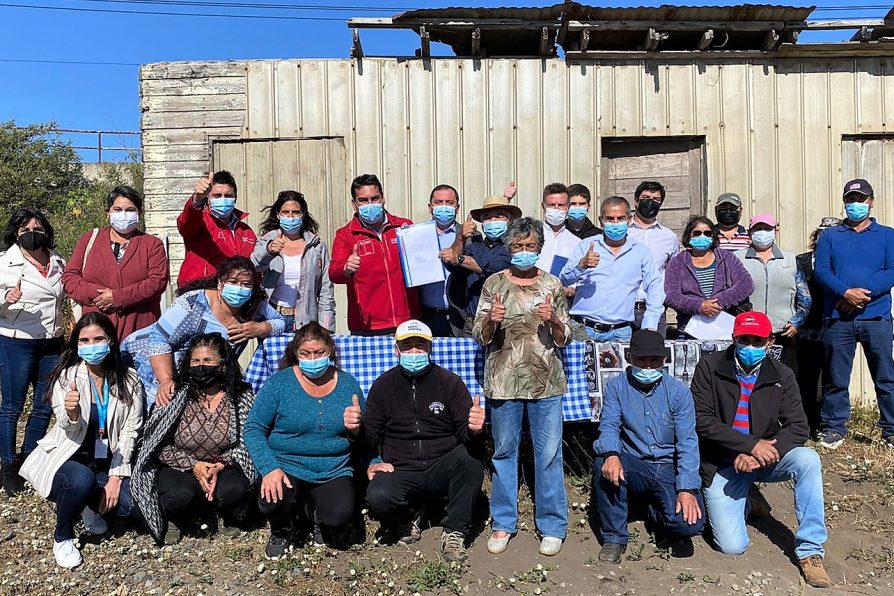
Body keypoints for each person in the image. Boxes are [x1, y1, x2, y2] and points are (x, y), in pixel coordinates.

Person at [691, 311, 830, 588]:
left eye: (758, 341)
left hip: (764, 459)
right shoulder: (709, 366)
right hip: (722, 462)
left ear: (770, 342)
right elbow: (701, 420)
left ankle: (811, 551)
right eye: (745, 340)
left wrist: (759, 454)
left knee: (808, 459)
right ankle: (748, 498)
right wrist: (749, 445)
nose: (751, 347)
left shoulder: (782, 374)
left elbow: (798, 427)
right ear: (734, 338)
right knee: (732, 546)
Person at [473, 217, 572, 557]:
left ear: (540, 248)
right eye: (517, 247)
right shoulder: (494, 284)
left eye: (530, 246)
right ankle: (503, 522)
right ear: (508, 249)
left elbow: (565, 338)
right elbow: (479, 336)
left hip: (545, 381)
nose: (524, 252)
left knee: (547, 455)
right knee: (504, 453)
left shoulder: (552, 285)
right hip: (503, 381)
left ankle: (553, 524)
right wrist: (491, 319)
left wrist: (554, 319)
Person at [19, 312, 143, 568]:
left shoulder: (129, 379)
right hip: (67, 458)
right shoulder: (66, 377)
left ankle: (88, 503)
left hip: (106, 461)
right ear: (76, 344)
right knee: (80, 481)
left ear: (110, 341)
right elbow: (66, 425)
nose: (91, 345)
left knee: (132, 507)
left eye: (98, 338)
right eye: (84, 340)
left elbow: (131, 429)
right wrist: (72, 411)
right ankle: (63, 536)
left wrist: (116, 478)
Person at [360, 320, 485, 563]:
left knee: (471, 459)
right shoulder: (383, 386)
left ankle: (455, 531)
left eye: (420, 346)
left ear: (430, 349)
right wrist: (356, 430)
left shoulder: (450, 382)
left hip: (441, 464)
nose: (414, 352)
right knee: (378, 495)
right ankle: (409, 516)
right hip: (402, 466)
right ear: (396, 350)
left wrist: (475, 429)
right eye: (407, 346)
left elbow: (464, 433)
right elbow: (370, 436)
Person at [245, 322, 364, 556]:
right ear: (295, 353)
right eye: (306, 353)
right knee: (273, 498)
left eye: (319, 352)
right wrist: (269, 468)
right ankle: (282, 530)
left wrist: (356, 429)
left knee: (339, 516)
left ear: (330, 350)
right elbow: (253, 429)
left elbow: (363, 438)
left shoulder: (348, 383)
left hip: (333, 467)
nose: (313, 358)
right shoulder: (279, 383)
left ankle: (315, 516)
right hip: (287, 463)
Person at [131, 334, 257, 545]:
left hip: (224, 465)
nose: (201, 366)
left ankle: (224, 513)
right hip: (180, 466)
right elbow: (156, 444)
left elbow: (248, 442)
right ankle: (176, 519)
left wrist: (219, 465)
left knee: (235, 490)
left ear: (223, 365)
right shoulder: (174, 395)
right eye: (196, 361)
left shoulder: (241, 397)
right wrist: (194, 465)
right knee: (178, 496)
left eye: (208, 361)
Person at [593, 330, 703, 563]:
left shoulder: (679, 393)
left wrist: (686, 488)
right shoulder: (616, 387)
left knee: (688, 525)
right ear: (629, 357)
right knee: (604, 462)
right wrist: (612, 454)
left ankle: (655, 513)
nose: (648, 366)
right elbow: (609, 425)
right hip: (634, 463)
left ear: (664, 360)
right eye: (642, 360)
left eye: (654, 360)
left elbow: (687, 442)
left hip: (668, 466)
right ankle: (614, 536)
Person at [122, 257, 284, 409]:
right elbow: (158, 339)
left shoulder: (253, 305)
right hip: (152, 361)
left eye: (246, 284)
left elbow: (280, 322)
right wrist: (165, 380)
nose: (239, 288)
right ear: (220, 283)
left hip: (201, 375)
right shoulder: (193, 304)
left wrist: (260, 328)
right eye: (233, 282)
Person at [814, 179, 894, 450]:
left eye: (861, 199)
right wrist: (845, 292)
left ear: (871, 201)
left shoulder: (887, 235)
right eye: (851, 199)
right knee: (836, 377)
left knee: (885, 377)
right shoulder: (829, 236)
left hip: (877, 318)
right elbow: (822, 270)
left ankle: (891, 430)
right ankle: (834, 428)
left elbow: (891, 271)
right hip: (839, 319)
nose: (855, 204)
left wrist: (862, 294)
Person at [0, 208, 66, 495]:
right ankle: (8, 464)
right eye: (25, 229)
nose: (31, 233)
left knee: (43, 405)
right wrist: (5, 298)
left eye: (36, 228)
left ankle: (30, 458)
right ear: (16, 233)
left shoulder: (59, 262)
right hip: (17, 340)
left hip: (53, 340)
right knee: (12, 406)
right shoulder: (5, 263)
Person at [62, 185, 169, 342]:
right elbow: (70, 278)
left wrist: (118, 298)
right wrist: (99, 296)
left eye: (130, 210)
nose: (124, 215)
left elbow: (157, 282)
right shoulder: (90, 239)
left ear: (140, 213)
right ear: (108, 213)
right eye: (118, 209)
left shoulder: (152, 244)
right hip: (96, 330)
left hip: (139, 327)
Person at [559, 196, 664, 341]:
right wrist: (581, 265)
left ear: (629, 219)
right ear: (600, 220)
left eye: (620, 218)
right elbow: (564, 279)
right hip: (583, 329)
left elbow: (655, 288)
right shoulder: (586, 245)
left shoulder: (641, 252)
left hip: (620, 332)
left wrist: (649, 324)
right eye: (609, 219)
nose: (615, 223)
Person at [328, 174, 419, 335]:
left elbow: (421, 264)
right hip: (367, 326)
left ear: (383, 198)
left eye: (374, 198)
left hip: (407, 320)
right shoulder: (345, 234)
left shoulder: (403, 227)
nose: (370, 204)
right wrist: (346, 267)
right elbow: (334, 273)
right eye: (363, 200)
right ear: (354, 204)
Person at [251, 190, 335, 333]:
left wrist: (326, 327)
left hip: (305, 319)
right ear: (278, 214)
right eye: (286, 212)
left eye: (296, 212)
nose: (290, 217)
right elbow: (254, 267)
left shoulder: (316, 246)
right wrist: (269, 250)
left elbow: (326, 289)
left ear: (303, 214)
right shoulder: (266, 240)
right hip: (272, 316)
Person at [736, 213, 810, 371]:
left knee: (782, 380)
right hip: (749, 334)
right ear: (750, 232)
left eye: (767, 228)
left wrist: (797, 321)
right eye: (758, 228)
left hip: (782, 332)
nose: (762, 232)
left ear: (776, 230)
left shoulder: (790, 259)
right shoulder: (737, 259)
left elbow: (805, 297)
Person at [443, 195, 520, 337]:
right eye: (488, 218)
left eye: (499, 216)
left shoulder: (516, 246)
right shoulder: (474, 247)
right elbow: (453, 266)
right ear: (482, 223)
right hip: (474, 321)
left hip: (507, 321)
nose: (493, 221)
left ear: (509, 221)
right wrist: (461, 237)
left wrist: (459, 258)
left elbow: (495, 267)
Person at [664, 216, 755, 333]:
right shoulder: (677, 262)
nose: (702, 236)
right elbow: (671, 295)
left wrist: (719, 302)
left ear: (713, 236)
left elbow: (746, 285)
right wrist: (699, 306)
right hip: (689, 329)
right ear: (689, 236)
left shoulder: (727, 258)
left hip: (725, 327)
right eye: (697, 233)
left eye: (707, 233)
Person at [795, 218, 841, 432]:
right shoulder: (801, 261)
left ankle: (828, 422)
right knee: (806, 376)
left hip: (835, 326)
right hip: (806, 329)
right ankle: (806, 420)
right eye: (822, 234)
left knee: (834, 375)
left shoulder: (843, 262)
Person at [176, 170, 256, 289]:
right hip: (199, 290)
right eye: (217, 196)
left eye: (228, 196)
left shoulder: (246, 232)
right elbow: (186, 224)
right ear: (208, 197)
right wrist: (197, 200)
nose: (223, 199)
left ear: (235, 198)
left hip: (233, 293)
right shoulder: (200, 221)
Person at [627, 181, 680, 336]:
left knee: (652, 357)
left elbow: (672, 273)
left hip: (654, 309)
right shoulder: (622, 232)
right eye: (646, 197)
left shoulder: (669, 237)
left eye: (656, 199)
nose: (650, 202)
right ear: (636, 201)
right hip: (622, 309)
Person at [421, 184, 461, 337]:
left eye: (449, 203)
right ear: (430, 207)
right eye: (438, 202)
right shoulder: (417, 235)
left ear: (457, 208)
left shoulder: (470, 236)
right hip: (427, 315)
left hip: (458, 317)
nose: (444, 207)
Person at [534, 183, 581, 287]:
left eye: (561, 205)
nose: (556, 209)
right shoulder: (532, 235)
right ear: (543, 206)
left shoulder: (576, 242)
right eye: (551, 205)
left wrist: (572, 289)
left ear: (568, 207)